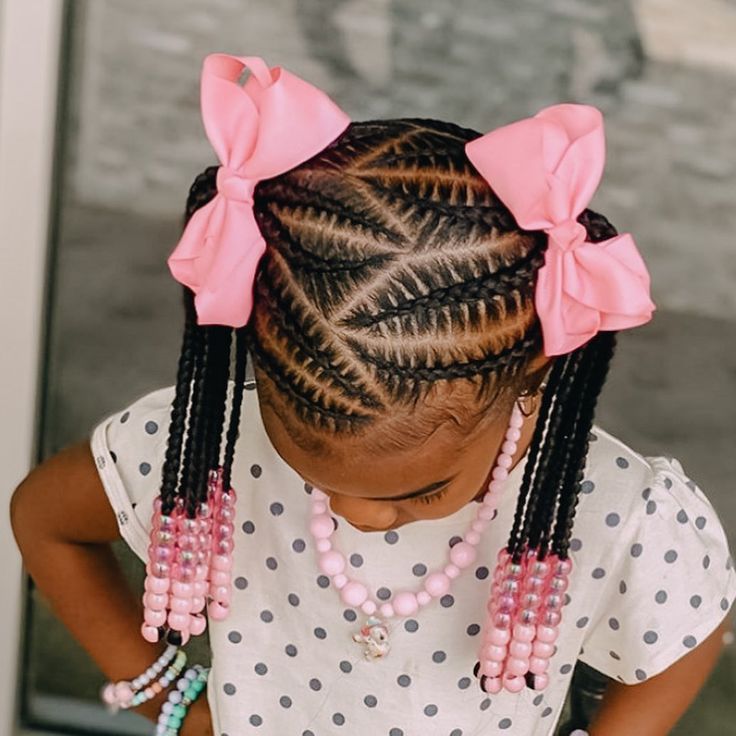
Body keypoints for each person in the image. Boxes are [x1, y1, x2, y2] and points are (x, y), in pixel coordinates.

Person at [11, 53, 736, 736]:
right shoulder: (212, 447)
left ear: (534, 371)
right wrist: (172, 701)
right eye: (311, 474)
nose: (358, 516)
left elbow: (682, 634)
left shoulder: (609, 507)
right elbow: (47, 519)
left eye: (420, 490)